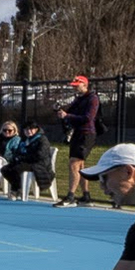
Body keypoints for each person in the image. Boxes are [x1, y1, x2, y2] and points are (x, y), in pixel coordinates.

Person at [54, 75, 101, 207]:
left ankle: (70, 196)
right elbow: (70, 113)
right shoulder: (78, 99)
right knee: (79, 165)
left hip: (87, 135)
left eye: (77, 85)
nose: (75, 88)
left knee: (73, 164)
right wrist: (62, 113)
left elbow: (88, 117)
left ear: (84, 85)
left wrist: (68, 115)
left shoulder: (93, 98)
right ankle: (86, 196)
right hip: (77, 134)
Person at [1, 119, 56, 200]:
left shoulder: (42, 139)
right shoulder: (24, 139)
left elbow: (39, 155)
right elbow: (18, 151)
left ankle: (15, 190)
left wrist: (23, 157)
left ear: (36, 129)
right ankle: (18, 188)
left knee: (17, 168)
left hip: (39, 164)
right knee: (5, 169)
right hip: (26, 161)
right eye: (26, 129)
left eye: (31, 129)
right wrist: (17, 157)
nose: (28, 131)